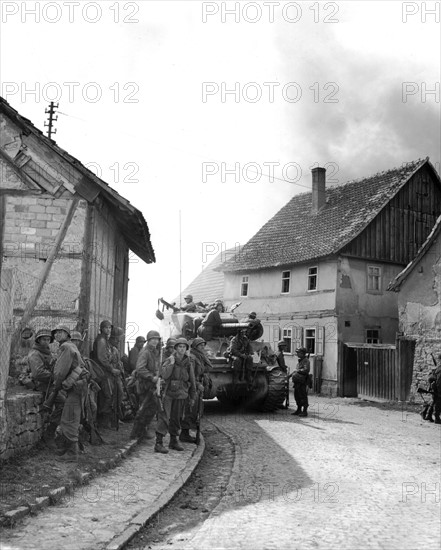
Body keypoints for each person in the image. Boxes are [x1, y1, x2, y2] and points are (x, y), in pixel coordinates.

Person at [52, 325, 89, 462]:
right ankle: (69, 448)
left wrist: (56, 386)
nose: (57, 334)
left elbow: (60, 371)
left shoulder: (66, 347)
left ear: (68, 335)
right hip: (78, 385)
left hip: (75, 385)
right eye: (55, 333)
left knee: (70, 418)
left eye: (61, 332)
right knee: (71, 416)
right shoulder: (69, 346)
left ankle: (73, 453)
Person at [155, 338, 196, 453]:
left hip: (181, 393)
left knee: (176, 418)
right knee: (164, 417)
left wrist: (192, 396)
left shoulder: (188, 362)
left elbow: (192, 380)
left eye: (184, 347)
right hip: (168, 393)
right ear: (176, 348)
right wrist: (171, 364)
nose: (182, 349)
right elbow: (164, 375)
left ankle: (173, 441)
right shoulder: (170, 360)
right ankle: (158, 443)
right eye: (180, 347)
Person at [27, 328, 65, 449]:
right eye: (44, 339)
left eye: (48, 339)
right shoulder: (35, 354)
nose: (46, 341)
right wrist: (55, 375)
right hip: (41, 384)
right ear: (38, 340)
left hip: (51, 383)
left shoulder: (47, 352)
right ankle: (49, 434)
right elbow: (38, 373)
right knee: (62, 403)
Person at [130, 330, 162, 441]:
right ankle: (136, 433)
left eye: (157, 339)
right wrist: (151, 377)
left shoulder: (154, 352)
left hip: (151, 384)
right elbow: (140, 368)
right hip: (145, 384)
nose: (155, 341)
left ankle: (141, 431)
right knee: (143, 409)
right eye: (153, 339)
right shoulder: (146, 352)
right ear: (148, 340)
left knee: (151, 408)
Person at [181, 337, 212, 443]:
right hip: (191, 386)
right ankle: (184, 434)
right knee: (190, 409)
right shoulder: (192, 358)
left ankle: (188, 432)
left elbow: (206, 368)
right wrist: (198, 384)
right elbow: (191, 374)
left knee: (195, 411)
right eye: (200, 345)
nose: (202, 347)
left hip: (196, 386)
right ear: (195, 346)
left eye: (203, 345)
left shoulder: (201, 356)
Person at [92, 320, 120, 429]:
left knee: (108, 396)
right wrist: (112, 369)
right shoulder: (102, 340)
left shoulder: (105, 340)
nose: (108, 329)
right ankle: (102, 422)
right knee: (107, 396)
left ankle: (104, 421)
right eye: (106, 327)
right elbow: (102, 358)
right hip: (102, 371)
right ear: (102, 328)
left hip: (105, 371)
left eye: (109, 328)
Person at [291, 347, 310, 417]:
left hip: (302, 381)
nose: (297, 354)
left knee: (303, 395)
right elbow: (296, 370)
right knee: (297, 396)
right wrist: (290, 375)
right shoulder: (300, 361)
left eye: (298, 352)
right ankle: (299, 409)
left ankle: (304, 411)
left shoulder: (306, 361)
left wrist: (298, 371)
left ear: (302, 353)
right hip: (297, 381)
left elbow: (306, 370)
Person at [432, 354, 441, 424]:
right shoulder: (440, 368)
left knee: (434, 401)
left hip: (436, 387)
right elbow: (439, 381)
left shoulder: (438, 367)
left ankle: (427, 414)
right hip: (438, 388)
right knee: (437, 402)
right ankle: (437, 418)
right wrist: (439, 391)